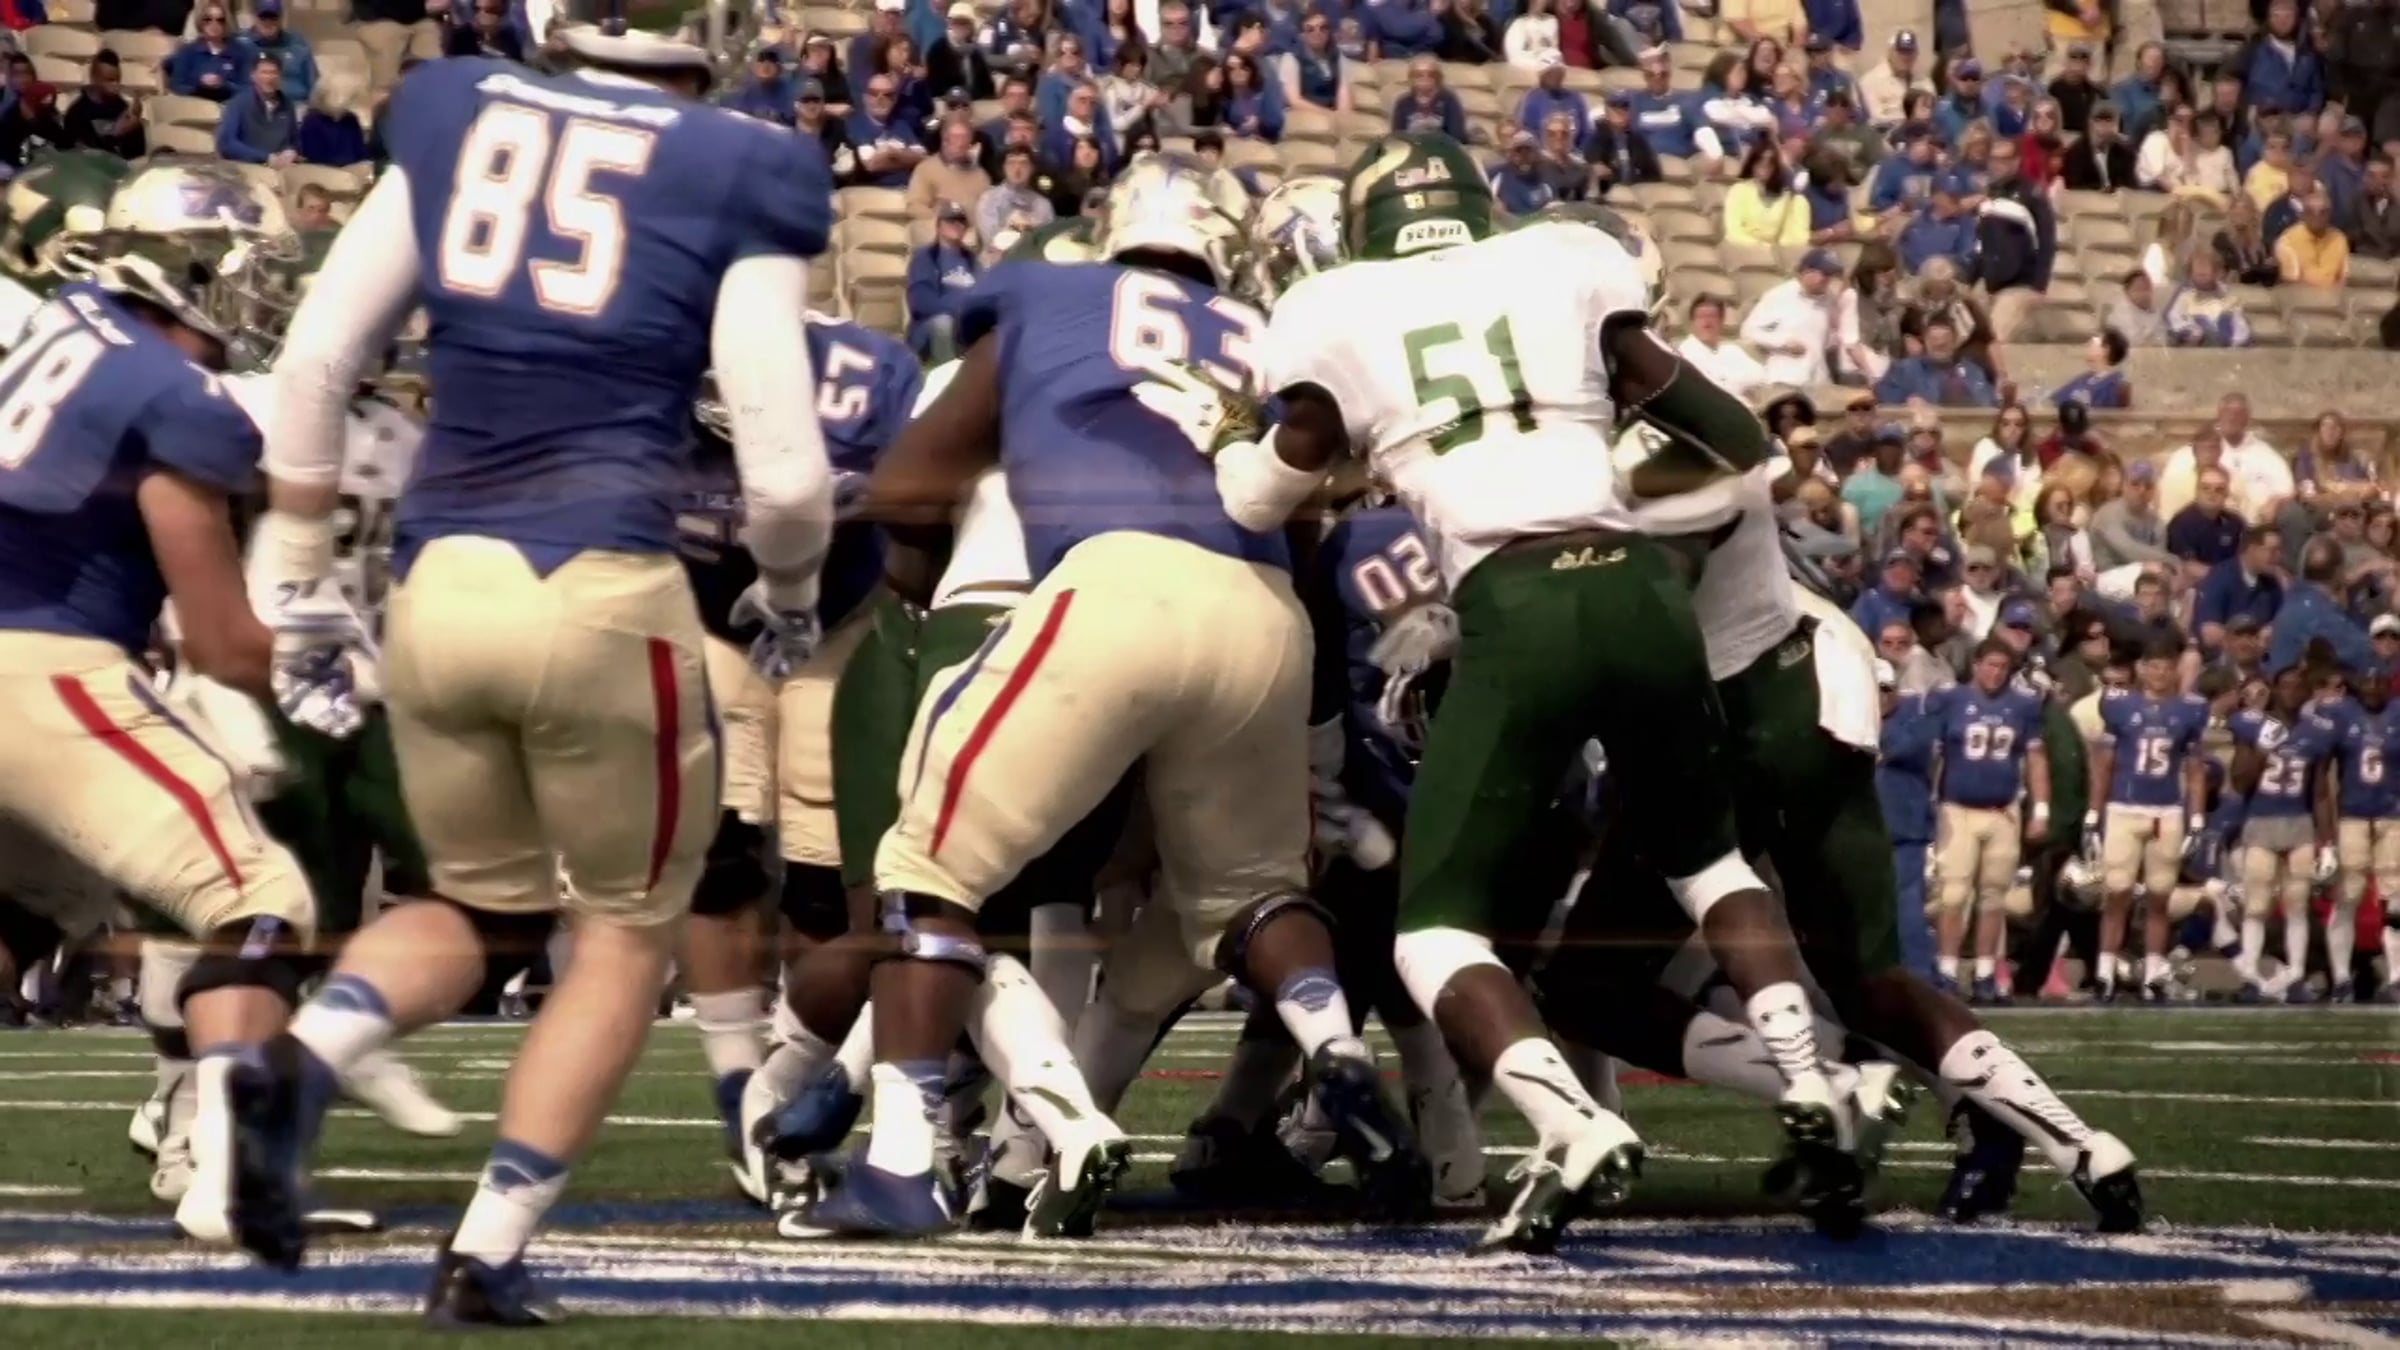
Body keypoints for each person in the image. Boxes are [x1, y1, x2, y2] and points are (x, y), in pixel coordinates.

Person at [231, 23, 839, 1324]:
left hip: (440, 580)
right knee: (621, 929)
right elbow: (787, 477)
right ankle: (488, 1251)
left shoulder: (459, 108)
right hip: (604, 586)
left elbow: (317, 359)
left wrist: (298, 564)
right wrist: (788, 595)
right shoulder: (740, 162)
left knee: (476, 902)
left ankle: (305, 1056)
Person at [1244, 137, 1878, 1251]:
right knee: (1709, 863)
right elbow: (1739, 442)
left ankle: (1570, 1124)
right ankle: (1808, 1079)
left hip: (1515, 600)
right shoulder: (1562, 258)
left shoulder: (1337, 305)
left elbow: (1258, 498)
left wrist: (1328, 448)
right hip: (1639, 591)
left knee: (1434, 932)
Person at [800, 152, 1423, 1240]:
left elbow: (907, 485)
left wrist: (929, 552)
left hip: (1114, 587)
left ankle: (900, 1163)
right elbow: (1300, 522)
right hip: (1265, 614)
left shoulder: (1047, 294)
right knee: (1249, 899)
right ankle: (1331, 1045)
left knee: (927, 872)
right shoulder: (1269, 334)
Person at [0, 160, 349, 1254]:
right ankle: (229, 1179)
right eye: (239, 270)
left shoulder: (55, 325)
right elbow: (222, 639)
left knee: (34, 902)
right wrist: (326, 672)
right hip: (42, 670)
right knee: (256, 897)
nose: (256, 296)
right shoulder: (176, 399)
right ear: (181, 267)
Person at [2085, 635, 2212, 1002]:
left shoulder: (2189, 710)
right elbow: (2105, 764)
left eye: (2166, 667)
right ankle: (2105, 971)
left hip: (2166, 811)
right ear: (2141, 670)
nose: (2159, 674)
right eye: (2153, 666)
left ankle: (2153, 973)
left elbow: (2194, 770)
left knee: (2160, 896)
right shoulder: (2120, 706)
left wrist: (2197, 819)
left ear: (2175, 672)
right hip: (2124, 809)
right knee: (2117, 892)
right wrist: (2094, 814)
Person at [1922, 641, 2050, 1002]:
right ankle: (1947, 971)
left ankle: (1985, 974)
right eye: (1990, 665)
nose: (1996, 673)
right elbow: (1935, 757)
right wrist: (1929, 804)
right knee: (1953, 894)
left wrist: (2041, 809)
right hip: (1957, 809)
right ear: (1976, 665)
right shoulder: (1951, 699)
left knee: (1993, 897)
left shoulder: (2023, 704)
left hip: (2002, 810)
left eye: (2003, 667)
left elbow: (2036, 758)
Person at [2228, 666, 2340, 1002]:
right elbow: (2239, 781)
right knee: (2256, 903)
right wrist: (2262, 749)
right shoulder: (2251, 725)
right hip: (2261, 821)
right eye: (2285, 685)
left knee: (2297, 903)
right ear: (2274, 690)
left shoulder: (2317, 731)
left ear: (2306, 692)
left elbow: (2320, 792)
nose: (2291, 692)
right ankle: (2250, 975)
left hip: (2298, 823)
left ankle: (2296, 976)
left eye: (2297, 686)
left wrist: (2328, 841)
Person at [906, 201, 978, 359]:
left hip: (966, 324)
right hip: (930, 328)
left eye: (961, 221)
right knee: (943, 322)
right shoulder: (925, 257)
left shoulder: (972, 259)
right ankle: (947, 370)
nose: (956, 225)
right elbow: (921, 303)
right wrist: (961, 309)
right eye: (951, 220)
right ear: (939, 225)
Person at [61, 49, 146, 159]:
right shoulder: (77, 114)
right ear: (94, 78)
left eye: (117, 80)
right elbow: (89, 158)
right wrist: (114, 135)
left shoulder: (124, 109)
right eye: (110, 80)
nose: (115, 85)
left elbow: (137, 157)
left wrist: (135, 128)